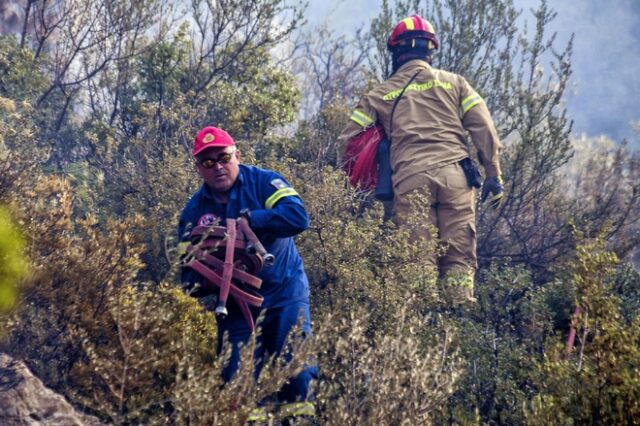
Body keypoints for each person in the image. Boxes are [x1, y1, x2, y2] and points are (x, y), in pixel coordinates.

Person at [339, 15, 504, 304]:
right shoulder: (456, 83)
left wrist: (361, 179)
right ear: (431, 51)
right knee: (458, 258)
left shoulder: (378, 95)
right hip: (456, 177)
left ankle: (423, 322)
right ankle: (458, 320)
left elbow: (349, 142)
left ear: (395, 52)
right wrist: (493, 173)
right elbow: (484, 127)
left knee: (418, 260)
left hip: (410, 181)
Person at [177, 126, 316, 419]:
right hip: (236, 305)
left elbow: (298, 217)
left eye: (224, 157)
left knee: (297, 374)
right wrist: (208, 275)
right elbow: (187, 278)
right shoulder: (193, 212)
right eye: (208, 162)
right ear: (199, 168)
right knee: (235, 386)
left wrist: (254, 219)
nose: (218, 167)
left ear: (237, 155)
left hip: (285, 293)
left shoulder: (264, 183)